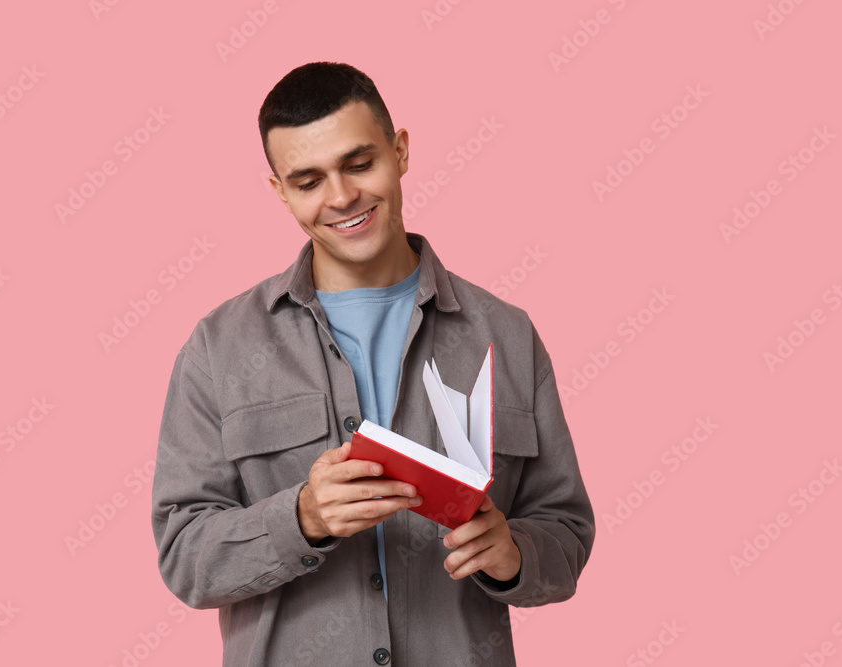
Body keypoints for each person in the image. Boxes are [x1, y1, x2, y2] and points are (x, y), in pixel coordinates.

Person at [152, 61, 595, 666]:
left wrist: (514, 552)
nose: (341, 197)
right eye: (308, 181)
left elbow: (565, 535)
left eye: (360, 164)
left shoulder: (506, 335)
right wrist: (300, 518)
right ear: (280, 190)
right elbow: (185, 557)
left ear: (401, 150)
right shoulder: (218, 346)